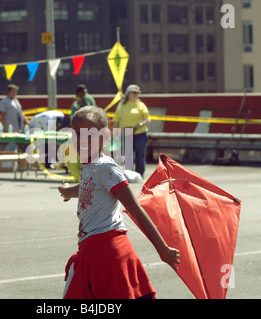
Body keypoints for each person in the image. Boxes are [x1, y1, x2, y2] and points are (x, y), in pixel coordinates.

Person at [58, 106, 180, 299]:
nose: (83, 140)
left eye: (90, 135)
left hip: (109, 253)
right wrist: (67, 191)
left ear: (104, 137)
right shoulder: (90, 165)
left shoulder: (106, 167)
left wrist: (162, 249)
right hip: (93, 250)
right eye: (78, 133)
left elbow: (136, 210)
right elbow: (88, 188)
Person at [112, 84, 150, 178]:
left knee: (140, 155)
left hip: (140, 132)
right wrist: (114, 134)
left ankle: (140, 175)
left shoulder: (141, 105)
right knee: (128, 156)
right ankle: (130, 175)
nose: (136, 94)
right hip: (127, 132)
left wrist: (140, 124)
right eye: (134, 92)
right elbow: (116, 120)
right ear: (128, 93)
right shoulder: (121, 105)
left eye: (137, 93)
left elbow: (147, 118)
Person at [0, 84, 28, 152]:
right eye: (13, 92)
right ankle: (9, 160)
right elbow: (2, 114)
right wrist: (3, 127)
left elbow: (20, 112)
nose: (15, 93)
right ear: (8, 92)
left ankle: (15, 160)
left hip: (19, 128)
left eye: (16, 92)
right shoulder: (4, 101)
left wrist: (26, 120)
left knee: (17, 146)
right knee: (11, 145)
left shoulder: (16, 101)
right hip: (10, 128)